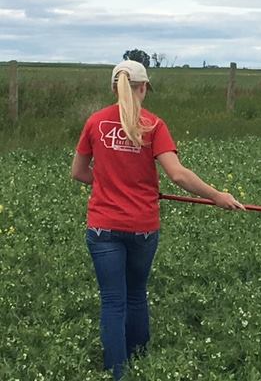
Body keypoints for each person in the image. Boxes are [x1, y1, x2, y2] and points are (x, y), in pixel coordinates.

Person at [71, 60, 244, 379]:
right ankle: (141, 361)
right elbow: (177, 174)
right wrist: (217, 195)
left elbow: (79, 172)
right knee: (136, 293)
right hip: (142, 227)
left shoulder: (95, 123)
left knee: (113, 301)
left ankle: (117, 373)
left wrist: (109, 182)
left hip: (103, 228)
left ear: (114, 87)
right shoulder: (153, 125)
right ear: (143, 87)